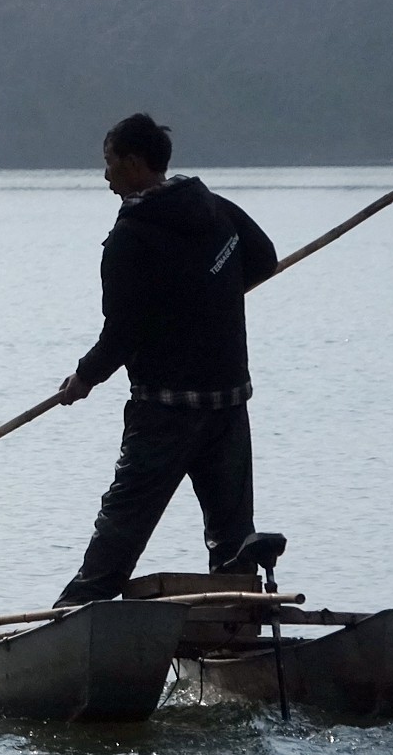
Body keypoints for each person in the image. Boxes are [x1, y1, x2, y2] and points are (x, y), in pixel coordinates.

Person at [52, 114, 278, 607]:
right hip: (228, 405)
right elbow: (264, 259)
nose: (106, 177)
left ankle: (71, 623)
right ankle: (238, 628)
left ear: (134, 164)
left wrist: (83, 379)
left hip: (165, 413)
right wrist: (209, 293)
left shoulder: (130, 238)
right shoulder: (215, 209)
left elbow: (122, 335)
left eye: (109, 164)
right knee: (233, 540)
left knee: (119, 535)